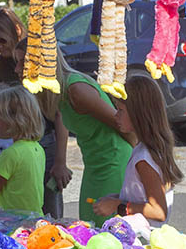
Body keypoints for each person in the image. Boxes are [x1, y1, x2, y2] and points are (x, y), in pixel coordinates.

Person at [56, 48, 132, 224]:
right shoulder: (55, 92)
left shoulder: (76, 89)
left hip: (113, 160)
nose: (17, 68)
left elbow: (121, 124)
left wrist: (138, 163)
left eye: (23, 61)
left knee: (108, 229)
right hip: (93, 164)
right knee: (88, 223)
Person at [93, 74, 183, 223]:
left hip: (144, 239)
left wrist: (118, 205)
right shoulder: (145, 150)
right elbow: (141, 196)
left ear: (138, 114)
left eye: (120, 110)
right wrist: (117, 198)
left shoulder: (144, 159)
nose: (116, 115)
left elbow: (158, 211)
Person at [14, 37, 71, 218]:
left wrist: (60, 162)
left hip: (47, 149)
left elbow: (61, 118)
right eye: (17, 62)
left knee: (50, 209)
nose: (17, 69)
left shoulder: (56, 88)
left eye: (23, 63)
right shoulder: (29, 87)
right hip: (32, 150)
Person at [0, 86, 46, 214]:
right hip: (34, 217)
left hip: (11, 221)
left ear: (12, 120)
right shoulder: (37, 148)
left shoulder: (11, 153)